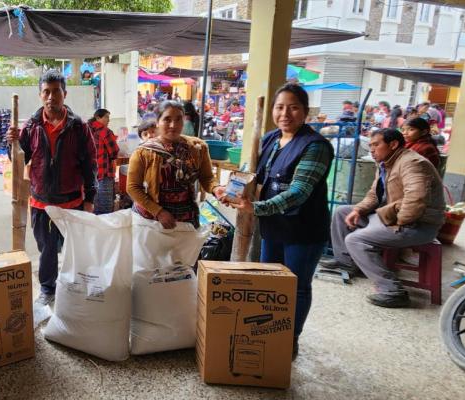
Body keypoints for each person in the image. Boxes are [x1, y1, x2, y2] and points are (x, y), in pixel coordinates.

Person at [227, 83, 333, 361]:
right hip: (273, 226)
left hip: (304, 230)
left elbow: (299, 192)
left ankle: (290, 339)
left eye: (293, 107)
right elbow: (254, 173)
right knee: (270, 285)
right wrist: (231, 191)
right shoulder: (272, 138)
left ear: (306, 112)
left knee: (296, 286)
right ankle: (270, 332)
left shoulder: (315, 146)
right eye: (280, 107)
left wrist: (256, 207)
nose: (285, 114)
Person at [320, 128, 445, 308]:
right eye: (370, 145)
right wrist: (359, 210)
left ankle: (392, 291)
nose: (372, 149)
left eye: (376, 145)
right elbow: (374, 195)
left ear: (393, 144)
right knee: (342, 212)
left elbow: (416, 199)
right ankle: (346, 263)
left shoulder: (413, 163)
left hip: (417, 225)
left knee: (355, 240)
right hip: (390, 215)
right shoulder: (386, 163)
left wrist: (397, 223)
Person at [6, 70, 97, 306]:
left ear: (64, 94)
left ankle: (73, 286)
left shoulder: (79, 127)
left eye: (56, 91)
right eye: (46, 92)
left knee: (74, 249)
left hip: (72, 201)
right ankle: (48, 289)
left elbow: (90, 164)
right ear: (40, 95)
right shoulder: (31, 126)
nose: (51, 97)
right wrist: (12, 143)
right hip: (41, 202)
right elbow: (18, 161)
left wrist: (90, 198)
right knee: (46, 249)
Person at [127, 100, 226, 229]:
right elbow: (133, 187)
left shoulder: (198, 147)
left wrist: (216, 188)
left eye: (178, 119)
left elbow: (207, 178)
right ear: (157, 122)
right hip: (151, 218)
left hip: (186, 216)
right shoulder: (143, 152)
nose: (173, 125)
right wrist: (158, 212)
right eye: (167, 119)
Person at [88, 109, 120, 215]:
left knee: (94, 207)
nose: (108, 120)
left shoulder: (87, 130)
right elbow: (114, 152)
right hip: (104, 173)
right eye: (106, 117)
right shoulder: (105, 131)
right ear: (98, 117)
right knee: (105, 209)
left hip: (90, 175)